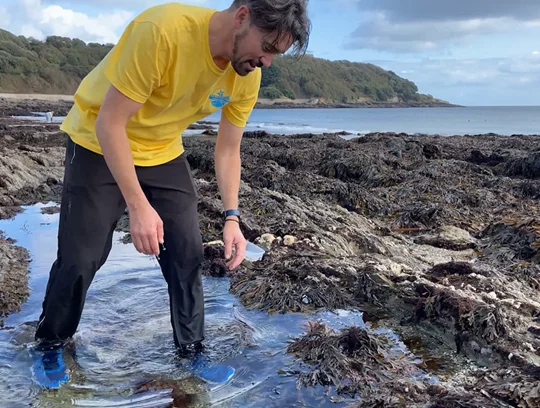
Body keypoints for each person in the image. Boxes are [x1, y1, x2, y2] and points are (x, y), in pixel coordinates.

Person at [29, 0, 310, 389]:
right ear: (242, 16)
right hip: (98, 141)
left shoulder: (246, 73)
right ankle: (50, 343)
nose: (267, 61)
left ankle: (191, 353)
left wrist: (232, 217)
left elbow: (228, 149)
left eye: (275, 54)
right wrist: (138, 205)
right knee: (81, 258)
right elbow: (111, 122)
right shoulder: (162, 32)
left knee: (186, 254)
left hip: (162, 151)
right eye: (267, 47)